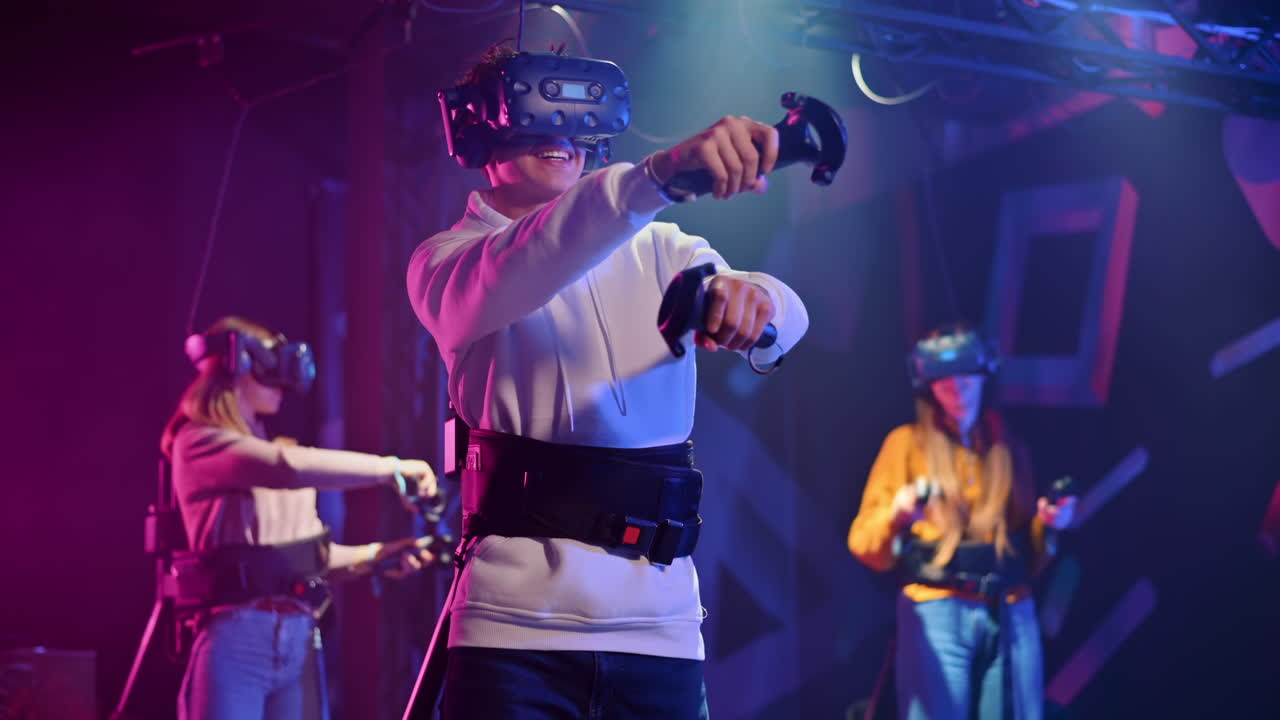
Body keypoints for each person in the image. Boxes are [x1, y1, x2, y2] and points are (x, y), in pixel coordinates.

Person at [404, 44, 809, 719]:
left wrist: (754, 304)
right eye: (536, 116)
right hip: (514, 635)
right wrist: (653, 177)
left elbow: (788, 316)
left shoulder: (664, 247)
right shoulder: (447, 263)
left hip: (662, 631)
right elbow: (532, 256)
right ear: (479, 131)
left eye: (578, 118)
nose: (562, 137)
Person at [159, 315, 439, 720]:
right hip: (238, 640)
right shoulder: (199, 442)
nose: (282, 388)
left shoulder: (274, 453)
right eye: (269, 373)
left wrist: (380, 554)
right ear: (234, 366)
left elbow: (313, 561)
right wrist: (390, 469)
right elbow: (283, 467)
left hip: (299, 639)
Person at [848, 325, 1077, 720]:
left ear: (983, 375)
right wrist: (898, 517)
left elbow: (1032, 557)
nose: (957, 388)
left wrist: (1050, 523)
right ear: (929, 386)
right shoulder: (906, 444)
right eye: (943, 379)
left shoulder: (1007, 450)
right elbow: (865, 543)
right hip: (937, 604)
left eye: (965, 375)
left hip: (1008, 606)